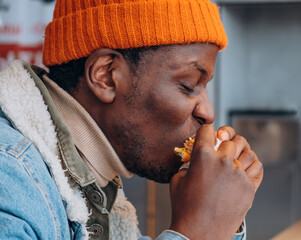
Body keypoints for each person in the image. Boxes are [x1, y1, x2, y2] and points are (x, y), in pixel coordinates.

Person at [0, 0, 263, 239]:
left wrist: (222, 215)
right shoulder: (9, 175)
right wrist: (200, 231)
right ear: (106, 75)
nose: (207, 112)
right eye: (187, 85)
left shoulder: (88, 174)